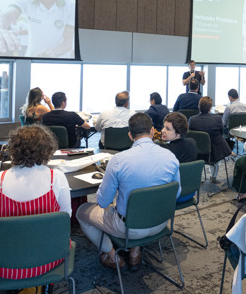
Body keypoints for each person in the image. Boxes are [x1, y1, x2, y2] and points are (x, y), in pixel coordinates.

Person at [76, 113, 180, 270]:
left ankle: (113, 257)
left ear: (130, 135)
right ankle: (134, 254)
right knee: (138, 202)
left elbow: (103, 203)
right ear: (152, 131)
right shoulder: (170, 157)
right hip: (161, 223)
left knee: (82, 212)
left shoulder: (119, 160)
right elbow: (175, 194)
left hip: (128, 229)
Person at [0, 125, 71, 282]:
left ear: (13, 149)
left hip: (4, 264)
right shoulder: (56, 178)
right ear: (47, 150)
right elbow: (64, 220)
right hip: (49, 258)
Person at [189, 96, 231, 181]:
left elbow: (190, 136)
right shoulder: (218, 119)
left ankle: (199, 178)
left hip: (198, 152)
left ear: (199, 107)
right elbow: (221, 133)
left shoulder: (192, 120)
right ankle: (213, 177)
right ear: (210, 108)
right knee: (218, 147)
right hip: (215, 152)